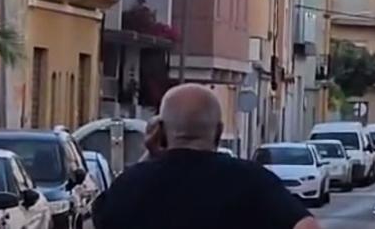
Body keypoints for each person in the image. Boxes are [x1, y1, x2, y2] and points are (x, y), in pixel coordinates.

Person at [93, 84, 320, 229]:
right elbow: (307, 226)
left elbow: (102, 218)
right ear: (219, 132)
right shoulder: (253, 180)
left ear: (160, 131)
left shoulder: (129, 186)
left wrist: (150, 154)